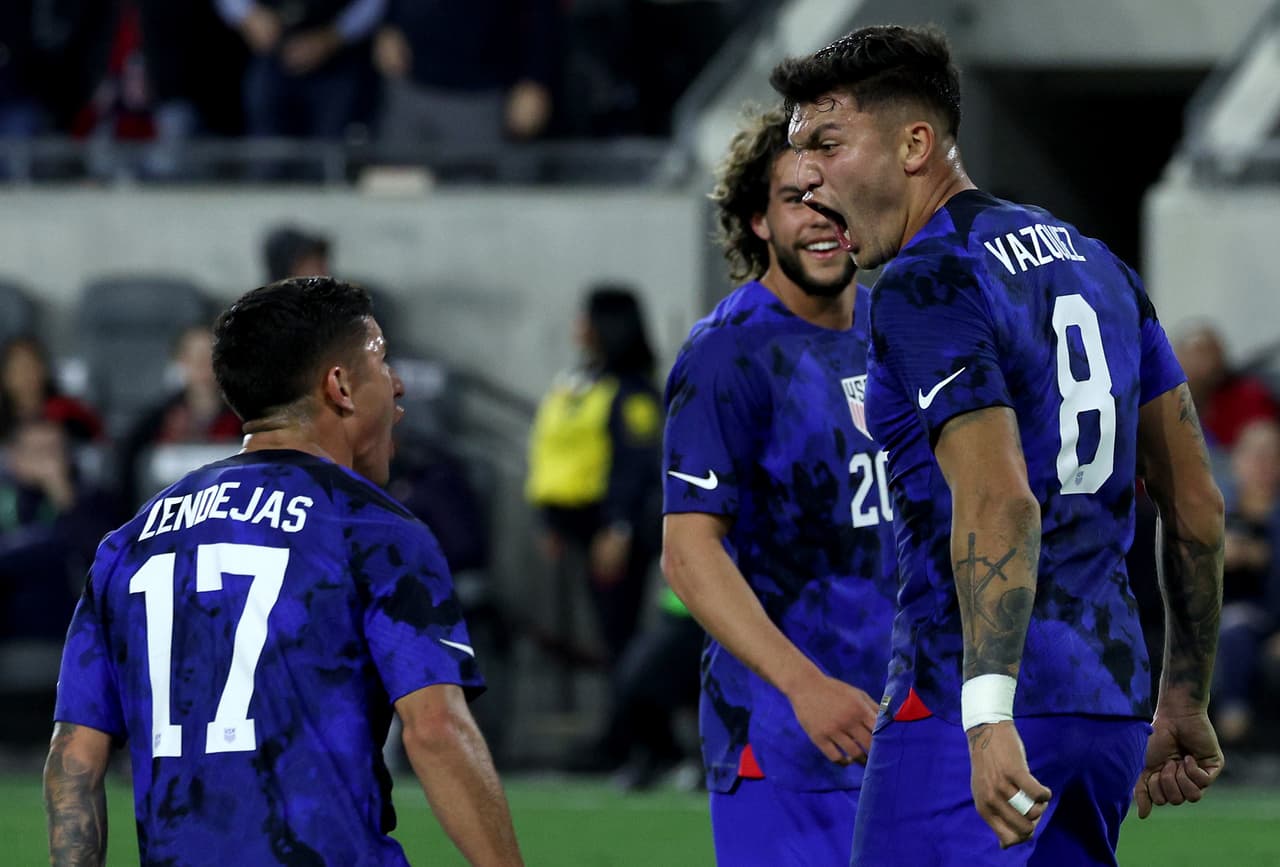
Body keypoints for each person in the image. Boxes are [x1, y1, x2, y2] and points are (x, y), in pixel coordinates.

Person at [774, 24, 1227, 864]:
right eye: (798, 150)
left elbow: (998, 497)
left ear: (915, 144)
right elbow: (1195, 503)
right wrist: (1184, 694)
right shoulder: (1099, 264)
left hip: (971, 710)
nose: (804, 174)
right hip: (1107, 705)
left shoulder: (926, 279)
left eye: (828, 144)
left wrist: (987, 717)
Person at [44, 277, 523, 866]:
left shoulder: (131, 542)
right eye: (380, 361)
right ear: (340, 386)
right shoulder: (372, 529)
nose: (397, 384)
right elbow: (435, 731)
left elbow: (75, 761)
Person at [659, 106, 897, 865]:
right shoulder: (728, 354)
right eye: (798, 198)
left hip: (910, 727)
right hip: (786, 735)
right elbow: (689, 554)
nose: (823, 217)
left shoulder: (899, 335)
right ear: (757, 219)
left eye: (837, 194)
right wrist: (804, 685)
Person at [526, 285, 664, 667]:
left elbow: (636, 465)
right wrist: (550, 520)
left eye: (586, 317)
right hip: (578, 525)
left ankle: (636, 723)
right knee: (602, 637)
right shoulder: (581, 380)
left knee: (619, 632)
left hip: (612, 530)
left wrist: (618, 530)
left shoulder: (633, 390)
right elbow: (555, 451)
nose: (578, 325)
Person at [117, 324, 243, 508]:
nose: (202, 365)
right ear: (180, 361)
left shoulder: (245, 419)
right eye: (193, 356)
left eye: (209, 356)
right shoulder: (156, 421)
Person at [1213, 418, 1280, 747]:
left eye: (1271, 456)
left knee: (1237, 628)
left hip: (1266, 620)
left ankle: (1233, 724)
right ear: (1236, 459)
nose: (1262, 466)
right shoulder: (1214, 512)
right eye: (1254, 455)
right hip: (1209, 626)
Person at [0, 335, 103, 444]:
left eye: (31, 365)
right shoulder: (3, 421)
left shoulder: (68, 414)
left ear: (44, 369)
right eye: (17, 368)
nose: (25, 374)